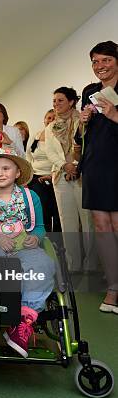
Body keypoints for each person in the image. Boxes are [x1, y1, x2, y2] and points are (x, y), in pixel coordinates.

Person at [0, 147, 56, 357]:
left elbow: (40, 226)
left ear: (17, 172)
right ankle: (2, 308)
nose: (0, 173)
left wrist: (37, 237)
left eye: (6, 168)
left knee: (43, 265)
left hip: (24, 247)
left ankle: (23, 321)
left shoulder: (30, 197)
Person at [79, 40, 118, 314]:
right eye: (95, 61)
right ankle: (113, 287)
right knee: (101, 226)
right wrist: (84, 119)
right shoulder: (90, 91)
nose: (100, 66)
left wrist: (114, 113)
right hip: (95, 162)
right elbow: (84, 134)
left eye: (105, 60)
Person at [45, 86, 95, 272]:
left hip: (83, 175)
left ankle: (92, 265)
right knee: (68, 223)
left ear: (72, 101)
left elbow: (87, 145)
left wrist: (76, 165)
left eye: (60, 100)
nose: (56, 104)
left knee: (88, 221)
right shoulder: (51, 127)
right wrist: (65, 165)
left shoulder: (84, 121)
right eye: (54, 101)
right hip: (61, 177)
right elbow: (50, 151)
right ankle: (73, 264)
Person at [26, 109, 61, 233]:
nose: (50, 120)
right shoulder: (36, 135)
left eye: (54, 118)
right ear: (44, 120)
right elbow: (28, 155)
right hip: (36, 178)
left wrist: (51, 175)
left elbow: (60, 158)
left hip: (55, 177)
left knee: (57, 213)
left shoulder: (60, 137)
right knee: (41, 211)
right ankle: (44, 241)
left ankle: (59, 244)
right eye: (48, 118)